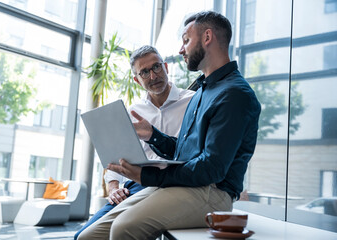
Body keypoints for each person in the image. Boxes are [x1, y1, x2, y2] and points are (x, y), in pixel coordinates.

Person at [78, 11, 261, 240]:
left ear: (207, 37)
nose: (181, 49)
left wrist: (147, 177)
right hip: (184, 185)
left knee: (123, 228)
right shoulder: (203, 92)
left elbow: (211, 169)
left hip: (212, 192)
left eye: (186, 40)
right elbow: (185, 153)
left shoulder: (234, 94)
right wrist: (153, 135)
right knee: (89, 236)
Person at [74, 45, 194, 240]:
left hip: (173, 183)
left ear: (166, 67)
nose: (153, 76)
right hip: (136, 184)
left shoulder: (192, 102)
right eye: (145, 72)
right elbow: (117, 160)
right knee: (82, 237)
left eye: (156, 67)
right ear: (137, 80)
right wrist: (114, 188)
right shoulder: (132, 112)